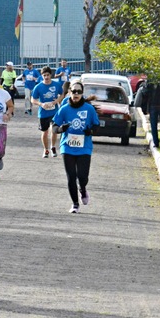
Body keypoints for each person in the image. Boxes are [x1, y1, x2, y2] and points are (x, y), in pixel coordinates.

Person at [53, 81, 100, 213]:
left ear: (82, 93)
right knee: (71, 177)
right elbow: (54, 126)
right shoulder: (64, 109)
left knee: (82, 177)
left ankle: (83, 189)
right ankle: (75, 204)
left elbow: (96, 126)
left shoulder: (89, 109)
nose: (76, 94)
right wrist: (61, 129)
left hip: (84, 147)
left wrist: (89, 131)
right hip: (67, 146)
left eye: (79, 92)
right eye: (74, 91)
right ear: (69, 93)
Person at [31, 66, 64, 158]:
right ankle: (45, 150)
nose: (46, 77)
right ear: (42, 76)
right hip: (43, 113)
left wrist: (55, 101)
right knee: (45, 132)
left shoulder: (56, 85)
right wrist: (41, 104)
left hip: (54, 111)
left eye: (48, 75)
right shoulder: (38, 87)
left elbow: (62, 94)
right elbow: (33, 99)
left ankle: (53, 147)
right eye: (44, 75)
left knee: (54, 130)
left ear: (51, 75)